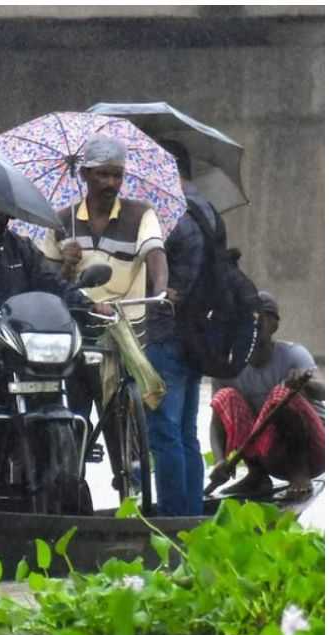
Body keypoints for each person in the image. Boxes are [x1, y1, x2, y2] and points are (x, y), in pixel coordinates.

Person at [35, 134, 170, 487]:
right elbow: (45, 280)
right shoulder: (62, 221)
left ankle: (132, 483)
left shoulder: (141, 214)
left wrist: (161, 290)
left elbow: (155, 253)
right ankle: (71, 488)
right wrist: (65, 264)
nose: (111, 183)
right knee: (74, 413)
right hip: (79, 330)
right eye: (103, 175)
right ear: (85, 175)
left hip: (125, 330)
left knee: (121, 416)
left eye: (117, 175)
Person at [0, 200, 99, 446]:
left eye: (2, 197)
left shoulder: (22, 248)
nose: (0, 202)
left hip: (20, 350)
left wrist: (87, 305)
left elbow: (53, 284)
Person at [144, 139, 216, 516]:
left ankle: (172, 520)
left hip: (165, 331)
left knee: (163, 432)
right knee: (186, 432)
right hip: (198, 334)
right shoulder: (207, 209)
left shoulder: (171, 215)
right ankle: (191, 518)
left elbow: (156, 272)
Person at [208, 292, 324, 501]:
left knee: (281, 395)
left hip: (311, 453)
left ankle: (299, 474)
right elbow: (217, 418)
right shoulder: (227, 366)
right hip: (268, 454)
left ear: (274, 326)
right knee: (226, 397)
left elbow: (323, 392)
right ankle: (257, 475)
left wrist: (303, 384)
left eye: (258, 318)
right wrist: (219, 461)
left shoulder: (292, 355)